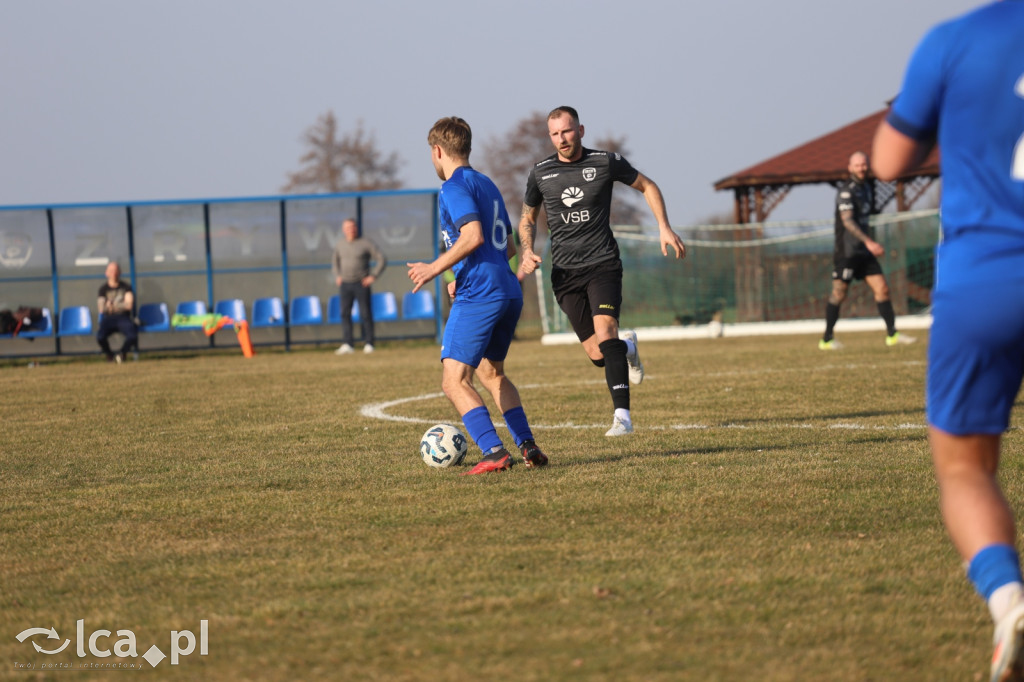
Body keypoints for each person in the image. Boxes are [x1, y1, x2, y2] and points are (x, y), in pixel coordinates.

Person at [870, 3, 1024, 680]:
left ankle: (1009, 599)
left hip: (986, 278)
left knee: (965, 469)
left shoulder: (956, 40)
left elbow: (888, 161)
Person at [517, 106, 686, 437]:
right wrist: (527, 251)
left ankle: (622, 417)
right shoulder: (540, 173)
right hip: (565, 273)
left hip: (603, 263)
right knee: (598, 354)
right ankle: (629, 349)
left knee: (607, 332)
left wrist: (663, 228)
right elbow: (527, 217)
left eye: (567, 131)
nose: (561, 139)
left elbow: (648, 186)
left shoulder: (605, 162)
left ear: (580, 130)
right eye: (554, 134)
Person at [408, 116, 547, 475]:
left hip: (481, 293)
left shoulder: (453, 187)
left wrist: (433, 269)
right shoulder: (487, 184)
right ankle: (528, 445)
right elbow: (510, 247)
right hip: (505, 289)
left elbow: (473, 237)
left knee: (454, 380)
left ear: (437, 151)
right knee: (491, 373)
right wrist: (463, 273)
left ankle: (493, 451)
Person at [818, 151, 917, 350]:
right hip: (847, 251)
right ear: (850, 167)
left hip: (864, 252)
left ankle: (892, 335)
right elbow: (847, 221)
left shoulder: (868, 189)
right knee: (839, 293)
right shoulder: (846, 191)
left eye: (864, 164)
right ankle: (827, 339)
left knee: (882, 289)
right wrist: (869, 242)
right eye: (857, 165)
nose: (861, 168)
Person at [332, 218, 386, 355]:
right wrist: (337, 275)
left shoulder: (365, 243)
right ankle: (348, 344)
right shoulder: (340, 244)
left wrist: (373, 276)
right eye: (348, 227)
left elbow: (381, 259)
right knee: (345, 313)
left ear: (356, 228)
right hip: (345, 284)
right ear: (343, 230)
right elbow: (335, 261)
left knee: (365, 313)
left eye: (353, 227)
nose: (351, 229)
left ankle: (369, 343)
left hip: (362, 283)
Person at [96, 261, 137, 363]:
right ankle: (109, 355)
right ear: (106, 273)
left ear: (119, 272)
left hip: (123, 318)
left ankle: (122, 354)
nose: (113, 273)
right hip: (108, 318)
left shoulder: (126, 287)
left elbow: (129, 305)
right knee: (100, 337)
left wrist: (111, 305)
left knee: (132, 335)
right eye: (111, 271)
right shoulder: (103, 289)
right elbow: (102, 308)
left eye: (115, 270)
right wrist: (120, 305)